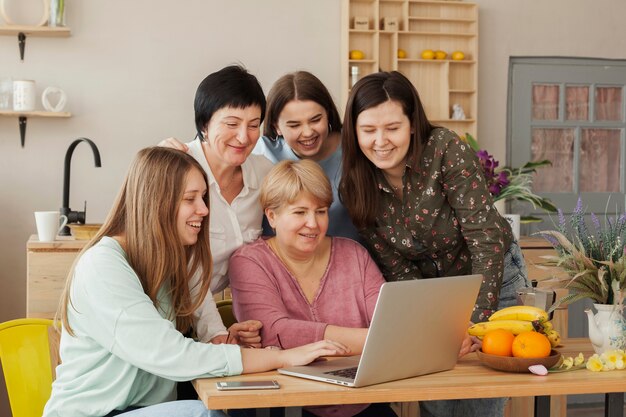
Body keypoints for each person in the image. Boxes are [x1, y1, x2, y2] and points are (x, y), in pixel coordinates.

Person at [43, 147, 348, 417]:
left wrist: (226, 342)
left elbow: (185, 343)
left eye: (203, 197)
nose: (203, 209)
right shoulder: (103, 266)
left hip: (150, 409)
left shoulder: (171, 260)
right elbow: (169, 354)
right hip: (100, 413)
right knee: (203, 414)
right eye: (190, 199)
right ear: (155, 202)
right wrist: (282, 356)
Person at [338, 71, 530, 417]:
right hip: (433, 290)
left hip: (492, 276)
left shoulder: (445, 150)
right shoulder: (354, 185)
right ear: (354, 131)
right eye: (368, 131)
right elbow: (393, 264)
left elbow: (484, 239)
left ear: (412, 124)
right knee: (436, 393)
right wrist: (431, 321)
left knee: (478, 397)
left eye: (392, 128)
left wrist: (474, 323)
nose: (380, 141)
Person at [229, 159, 397, 417]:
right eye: (300, 212)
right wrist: (379, 340)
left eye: (321, 211)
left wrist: (390, 337)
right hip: (285, 404)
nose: (313, 223)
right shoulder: (249, 261)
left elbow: (389, 322)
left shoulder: (353, 254)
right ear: (271, 216)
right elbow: (275, 332)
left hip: (361, 398)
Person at [159, 65, 274, 345]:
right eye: (232, 124)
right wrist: (217, 336)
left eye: (254, 124)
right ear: (204, 125)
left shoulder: (264, 173)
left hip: (204, 322)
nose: (244, 137)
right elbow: (186, 273)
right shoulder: (176, 169)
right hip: (159, 320)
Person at [252, 71, 360, 241]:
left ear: (328, 114)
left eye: (316, 120)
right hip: (278, 261)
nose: (308, 132)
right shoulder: (262, 152)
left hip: (347, 260)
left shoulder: (354, 147)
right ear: (276, 127)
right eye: (294, 125)